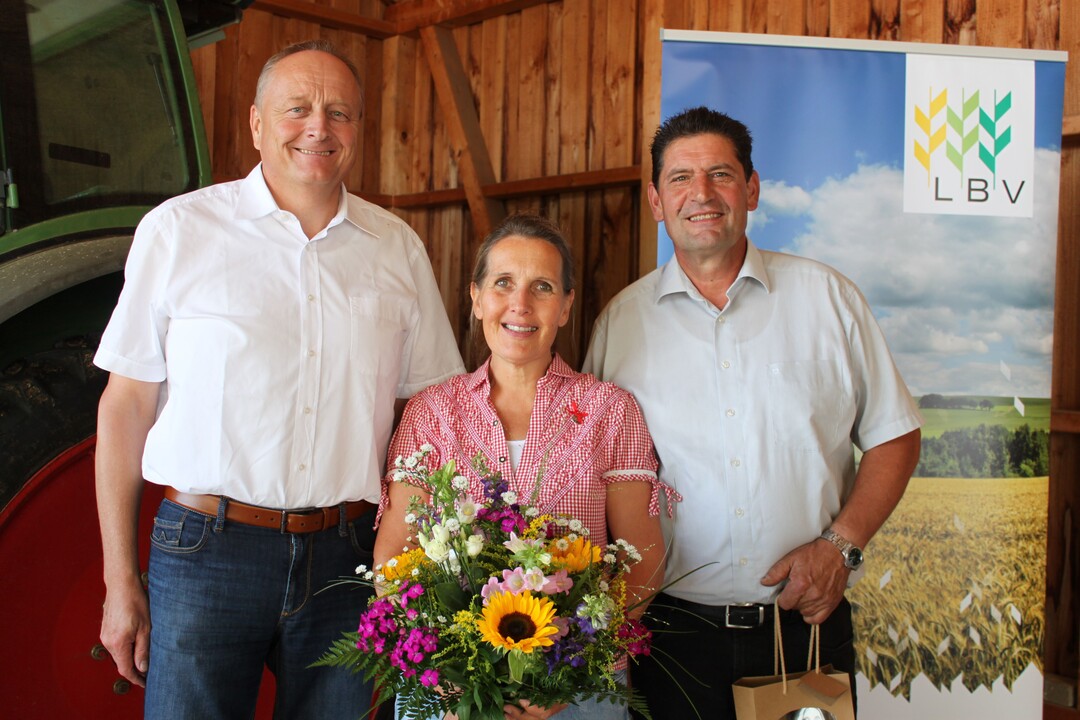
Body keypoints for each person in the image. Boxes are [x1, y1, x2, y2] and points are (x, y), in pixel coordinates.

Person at [93, 40, 464, 719]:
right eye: (297, 109)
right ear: (258, 125)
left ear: (358, 131)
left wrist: (412, 557)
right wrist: (120, 579)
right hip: (207, 549)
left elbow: (428, 414)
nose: (318, 127)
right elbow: (126, 405)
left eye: (339, 113)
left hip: (353, 559)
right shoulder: (178, 232)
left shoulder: (398, 248)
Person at [582, 106, 923, 719]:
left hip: (803, 625)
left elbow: (895, 436)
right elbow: (592, 477)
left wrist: (840, 547)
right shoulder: (620, 324)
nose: (701, 194)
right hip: (669, 639)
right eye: (680, 179)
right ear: (657, 201)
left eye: (721, 174)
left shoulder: (828, 300)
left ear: (753, 189)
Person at [374, 213, 670, 720]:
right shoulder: (432, 411)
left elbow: (642, 562)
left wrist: (567, 671)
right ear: (476, 297)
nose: (520, 304)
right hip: (449, 695)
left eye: (543, 287)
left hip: (577, 689)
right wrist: (452, 671)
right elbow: (394, 560)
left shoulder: (609, 410)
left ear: (566, 305)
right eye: (503, 283)